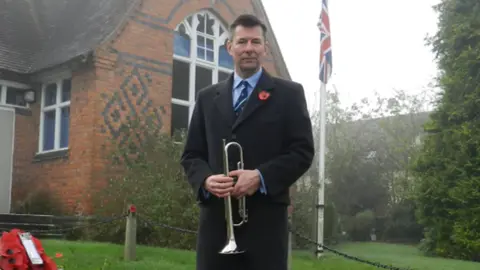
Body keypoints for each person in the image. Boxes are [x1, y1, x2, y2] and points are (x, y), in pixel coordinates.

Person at [180, 13, 314, 270]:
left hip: (266, 225)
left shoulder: (289, 94)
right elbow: (191, 155)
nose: (249, 49)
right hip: (216, 225)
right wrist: (206, 180)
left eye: (255, 42)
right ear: (230, 47)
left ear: (265, 47)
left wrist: (261, 177)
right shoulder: (207, 98)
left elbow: (302, 152)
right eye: (242, 42)